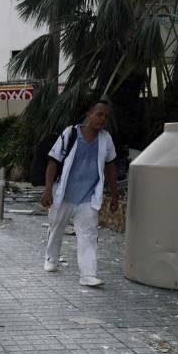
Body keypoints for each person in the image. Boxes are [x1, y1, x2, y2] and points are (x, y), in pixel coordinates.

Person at [41, 100, 119, 287]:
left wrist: (115, 195)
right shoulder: (71, 133)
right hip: (64, 195)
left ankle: (88, 274)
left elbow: (111, 167)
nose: (102, 119)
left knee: (89, 235)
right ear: (89, 114)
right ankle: (51, 258)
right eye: (99, 114)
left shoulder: (106, 139)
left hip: (88, 198)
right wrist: (47, 190)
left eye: (106, 117)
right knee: (56, 229)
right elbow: (53, 161)